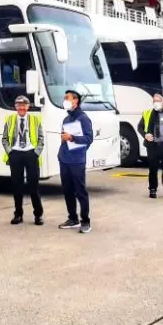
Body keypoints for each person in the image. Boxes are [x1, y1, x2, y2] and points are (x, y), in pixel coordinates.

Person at [2, 95, 45, 226]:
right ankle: (18, 214)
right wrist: (10, 152)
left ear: (27, 106)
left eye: (23, 105)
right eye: (18, 105)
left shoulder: (35, 119)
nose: (21, 107)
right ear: (15, 106)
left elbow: (41, 138)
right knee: (17, 186)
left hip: (31, 155)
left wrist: (36, 153)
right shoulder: (9, 119)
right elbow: (4, 139)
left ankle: (38, 215)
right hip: (16, 155)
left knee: (34, 186)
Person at [58, 90, 93, 233]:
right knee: (67, 191)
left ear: (75, 101)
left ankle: (85, 221)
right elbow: (64, 137)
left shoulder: (83, 118)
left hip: (77, 161)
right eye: (64, 98)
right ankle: (73, 218)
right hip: (64, 159)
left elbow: (89, 139)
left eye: (68, 98)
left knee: (80, 191)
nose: (65, 100)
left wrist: (72, 138)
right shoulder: (66, 119)